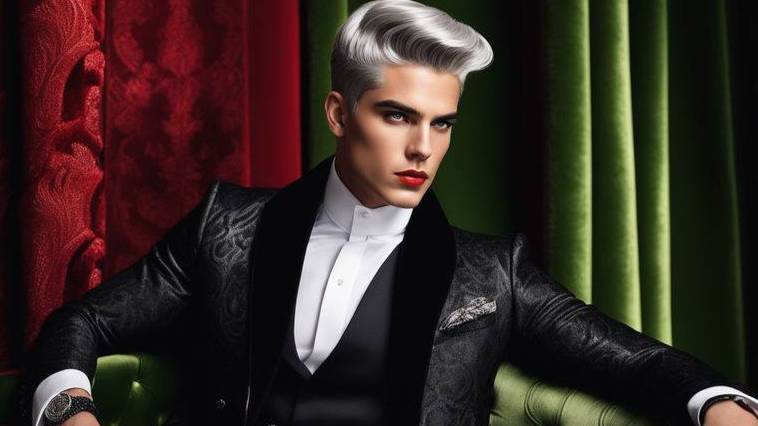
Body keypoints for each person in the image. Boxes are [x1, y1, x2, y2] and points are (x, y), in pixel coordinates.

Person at [17, 1, 758, 425]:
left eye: (442, 124)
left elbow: (632, 358)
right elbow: (82, 322)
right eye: (398, 115)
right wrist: (69, 408)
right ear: (340, 113)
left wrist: (718, 402)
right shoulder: (227, 228)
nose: (422, 148)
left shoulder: (490, 272)